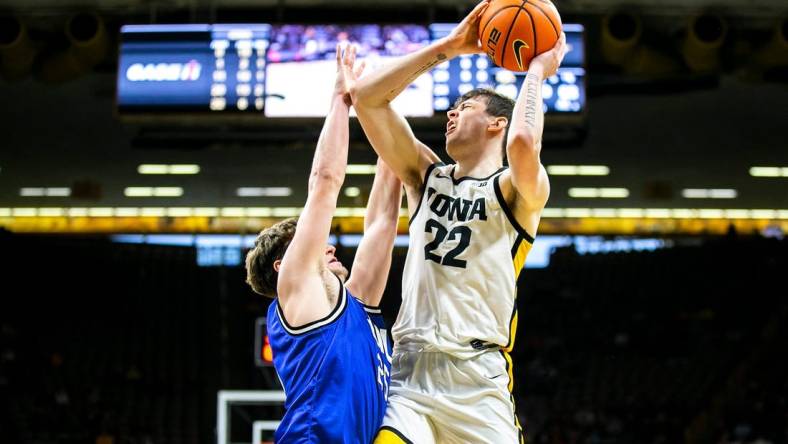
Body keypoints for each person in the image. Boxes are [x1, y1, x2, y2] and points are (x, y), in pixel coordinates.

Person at [345, 1, 569, 442]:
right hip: (410, 373)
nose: (451, 113)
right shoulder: (425, 176)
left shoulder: (518, 192)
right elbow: (367, 98)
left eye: (464, 107)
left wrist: (538, 70)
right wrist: (451, 45)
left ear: (495, 124)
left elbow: (524, 141)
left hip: (477, 379)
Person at [244, 44, 401, 443]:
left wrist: (384, 114)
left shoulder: (355, 305)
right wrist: (341, 99)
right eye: (317, 245)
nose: (330, 246)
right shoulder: (297, 288)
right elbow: (325, 183)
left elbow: (383, 221)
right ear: (284, 264)